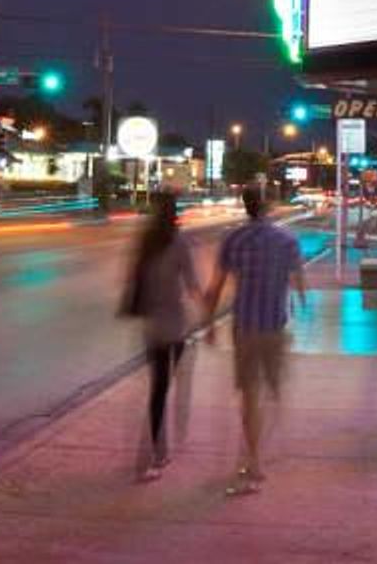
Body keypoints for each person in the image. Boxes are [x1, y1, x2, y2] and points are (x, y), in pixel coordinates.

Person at [205, 185, 304, 496]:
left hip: (245, 327)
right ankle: (255, 455)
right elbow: (299, 279)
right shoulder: (286, 240)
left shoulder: (233, 239)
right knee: (273, 393)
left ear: (245, 205)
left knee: (249, 394)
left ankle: (253, 457)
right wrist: (298, 297)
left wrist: (209, 325)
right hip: (274, 326)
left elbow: (215, 287)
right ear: (268, 205)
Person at [125, 192, 202, 481]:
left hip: (152, 326)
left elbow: (135, 281)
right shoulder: (179, 241)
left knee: (157, 389)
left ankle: (160, 450)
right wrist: (207, 315)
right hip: (175, 324)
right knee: (169, 386)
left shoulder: (146, 242)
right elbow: (192, 284)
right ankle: (157, 451)